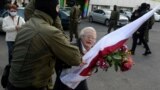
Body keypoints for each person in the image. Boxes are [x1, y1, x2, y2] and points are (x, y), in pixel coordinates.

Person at [6, 0, 83, 90]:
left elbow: (29, 10)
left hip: (13, 82)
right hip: (32, 86)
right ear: (51, 9)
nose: (58, 11)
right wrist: (56, 19)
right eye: (57, 7)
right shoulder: (49, 32)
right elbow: (75, 58)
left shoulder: (26, 26)